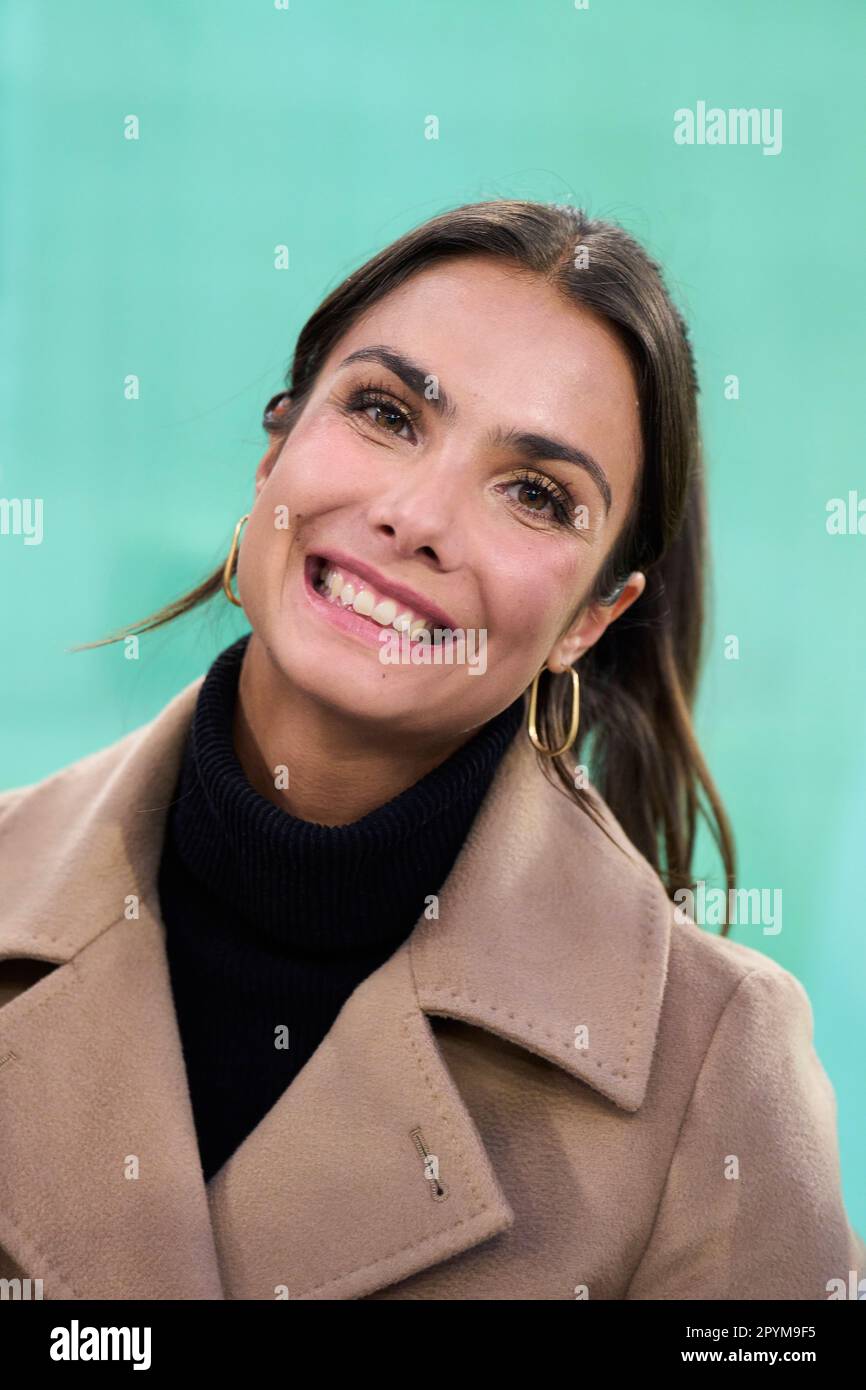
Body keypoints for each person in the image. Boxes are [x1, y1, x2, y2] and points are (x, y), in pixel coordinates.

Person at [1, 200, 863, 1301]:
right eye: (384, 412)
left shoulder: (714, 1071)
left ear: (589, 622)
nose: (417, 517)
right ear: (276, 447)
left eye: (535, 495)